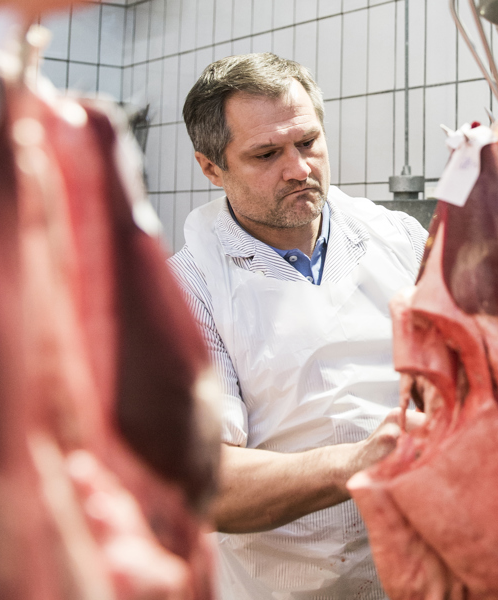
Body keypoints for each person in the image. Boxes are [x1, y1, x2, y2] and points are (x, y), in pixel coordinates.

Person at [169, 52, 428, 599]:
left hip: (427, 571)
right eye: (266, 153)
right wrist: (359, 462)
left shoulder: (399, 238)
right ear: (211, 167)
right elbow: (203, 484)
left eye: (307, 143)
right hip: (283, 586)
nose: (299, 169)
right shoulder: (189, 288)